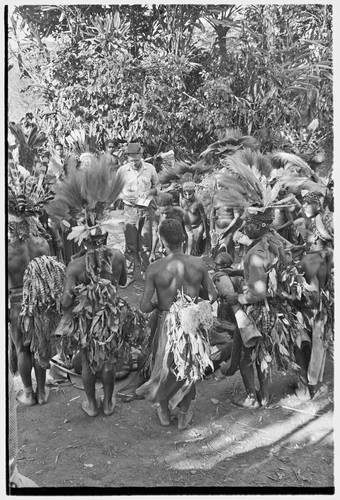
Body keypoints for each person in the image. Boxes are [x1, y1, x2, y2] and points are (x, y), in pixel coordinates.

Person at [136, 219, 217, 429]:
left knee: (165, 365)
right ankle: (183, 413)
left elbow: (144, 306)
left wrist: (160, 304)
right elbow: (212, 295)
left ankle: (163, 410)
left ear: (162, 241)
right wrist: (193, 298)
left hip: (166, 322)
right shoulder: (198, 264)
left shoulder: (154, 269)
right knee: (189, 365)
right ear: (183, 238)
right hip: (192, 322)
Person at [60, 231, 127, 417]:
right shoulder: (118, 256)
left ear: (83, 240)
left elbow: (66, 302)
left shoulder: (75, 266)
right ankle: (107, 404)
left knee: (86, 361)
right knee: (108, 360)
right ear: (105, 237)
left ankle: (91, 405)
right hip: (111, 317)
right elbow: (122, 282)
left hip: (87, 320)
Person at [294, 208, 334, 400]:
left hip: (308, 310)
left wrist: (289, 295)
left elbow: (313, 296)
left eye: (309, 229)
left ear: (317, 234)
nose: (306, 232)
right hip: (323, 309)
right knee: (315, 343)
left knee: (300, 344)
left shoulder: (309, 260)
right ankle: (312, 382)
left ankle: (303, 388)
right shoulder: (328, 255)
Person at [117, 142, 160, 287]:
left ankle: (146, 273)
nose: (134, 163)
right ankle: (129, 275)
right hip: (129, 211)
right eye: (131, 161)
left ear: (141, 156)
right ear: (127, 159)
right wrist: (124, 196)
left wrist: (149, 192)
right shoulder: (122, 171)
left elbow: (157, 186)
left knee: (146, 244)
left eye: (137, 160)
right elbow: (115, 190)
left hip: (146, 210)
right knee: (130, 245)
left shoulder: (150, 169)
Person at [150, 193, 194, 261]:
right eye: (162, 213)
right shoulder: (157, 215)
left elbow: (190, 234)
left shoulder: (181, 213)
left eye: (167, 212)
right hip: (165, 245)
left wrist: (188, 254)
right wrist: (152, 252)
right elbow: (155, 233)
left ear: (172, 206)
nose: (165, 216)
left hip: (180, 245)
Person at [180, 181, 208, 255]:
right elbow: (182, 215)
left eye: (190, 194)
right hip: (187, 227)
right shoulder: (183, 202)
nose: (188, 196)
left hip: (198, 227)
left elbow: (203, 217)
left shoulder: (198, 203)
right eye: (185, 194)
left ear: (194, 192)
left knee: (196, 247)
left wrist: (205, 230)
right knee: (187, 247)